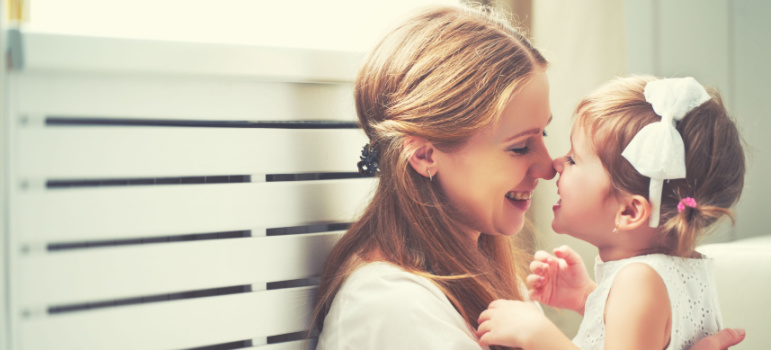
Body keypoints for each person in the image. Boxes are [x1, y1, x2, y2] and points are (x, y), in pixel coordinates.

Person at [312, 5, 746, 350]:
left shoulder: (488, 278)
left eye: (545, 135)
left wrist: (590, 303)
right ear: (425, 154)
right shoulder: (392, 308)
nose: (547, 166)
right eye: (520, 146)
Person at [476, 75, 746, 350]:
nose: (556, 163)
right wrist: (587, 297)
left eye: (573, 159)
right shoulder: (677, 272)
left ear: (629, 211)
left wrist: (538, 336)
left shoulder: (638, 282)